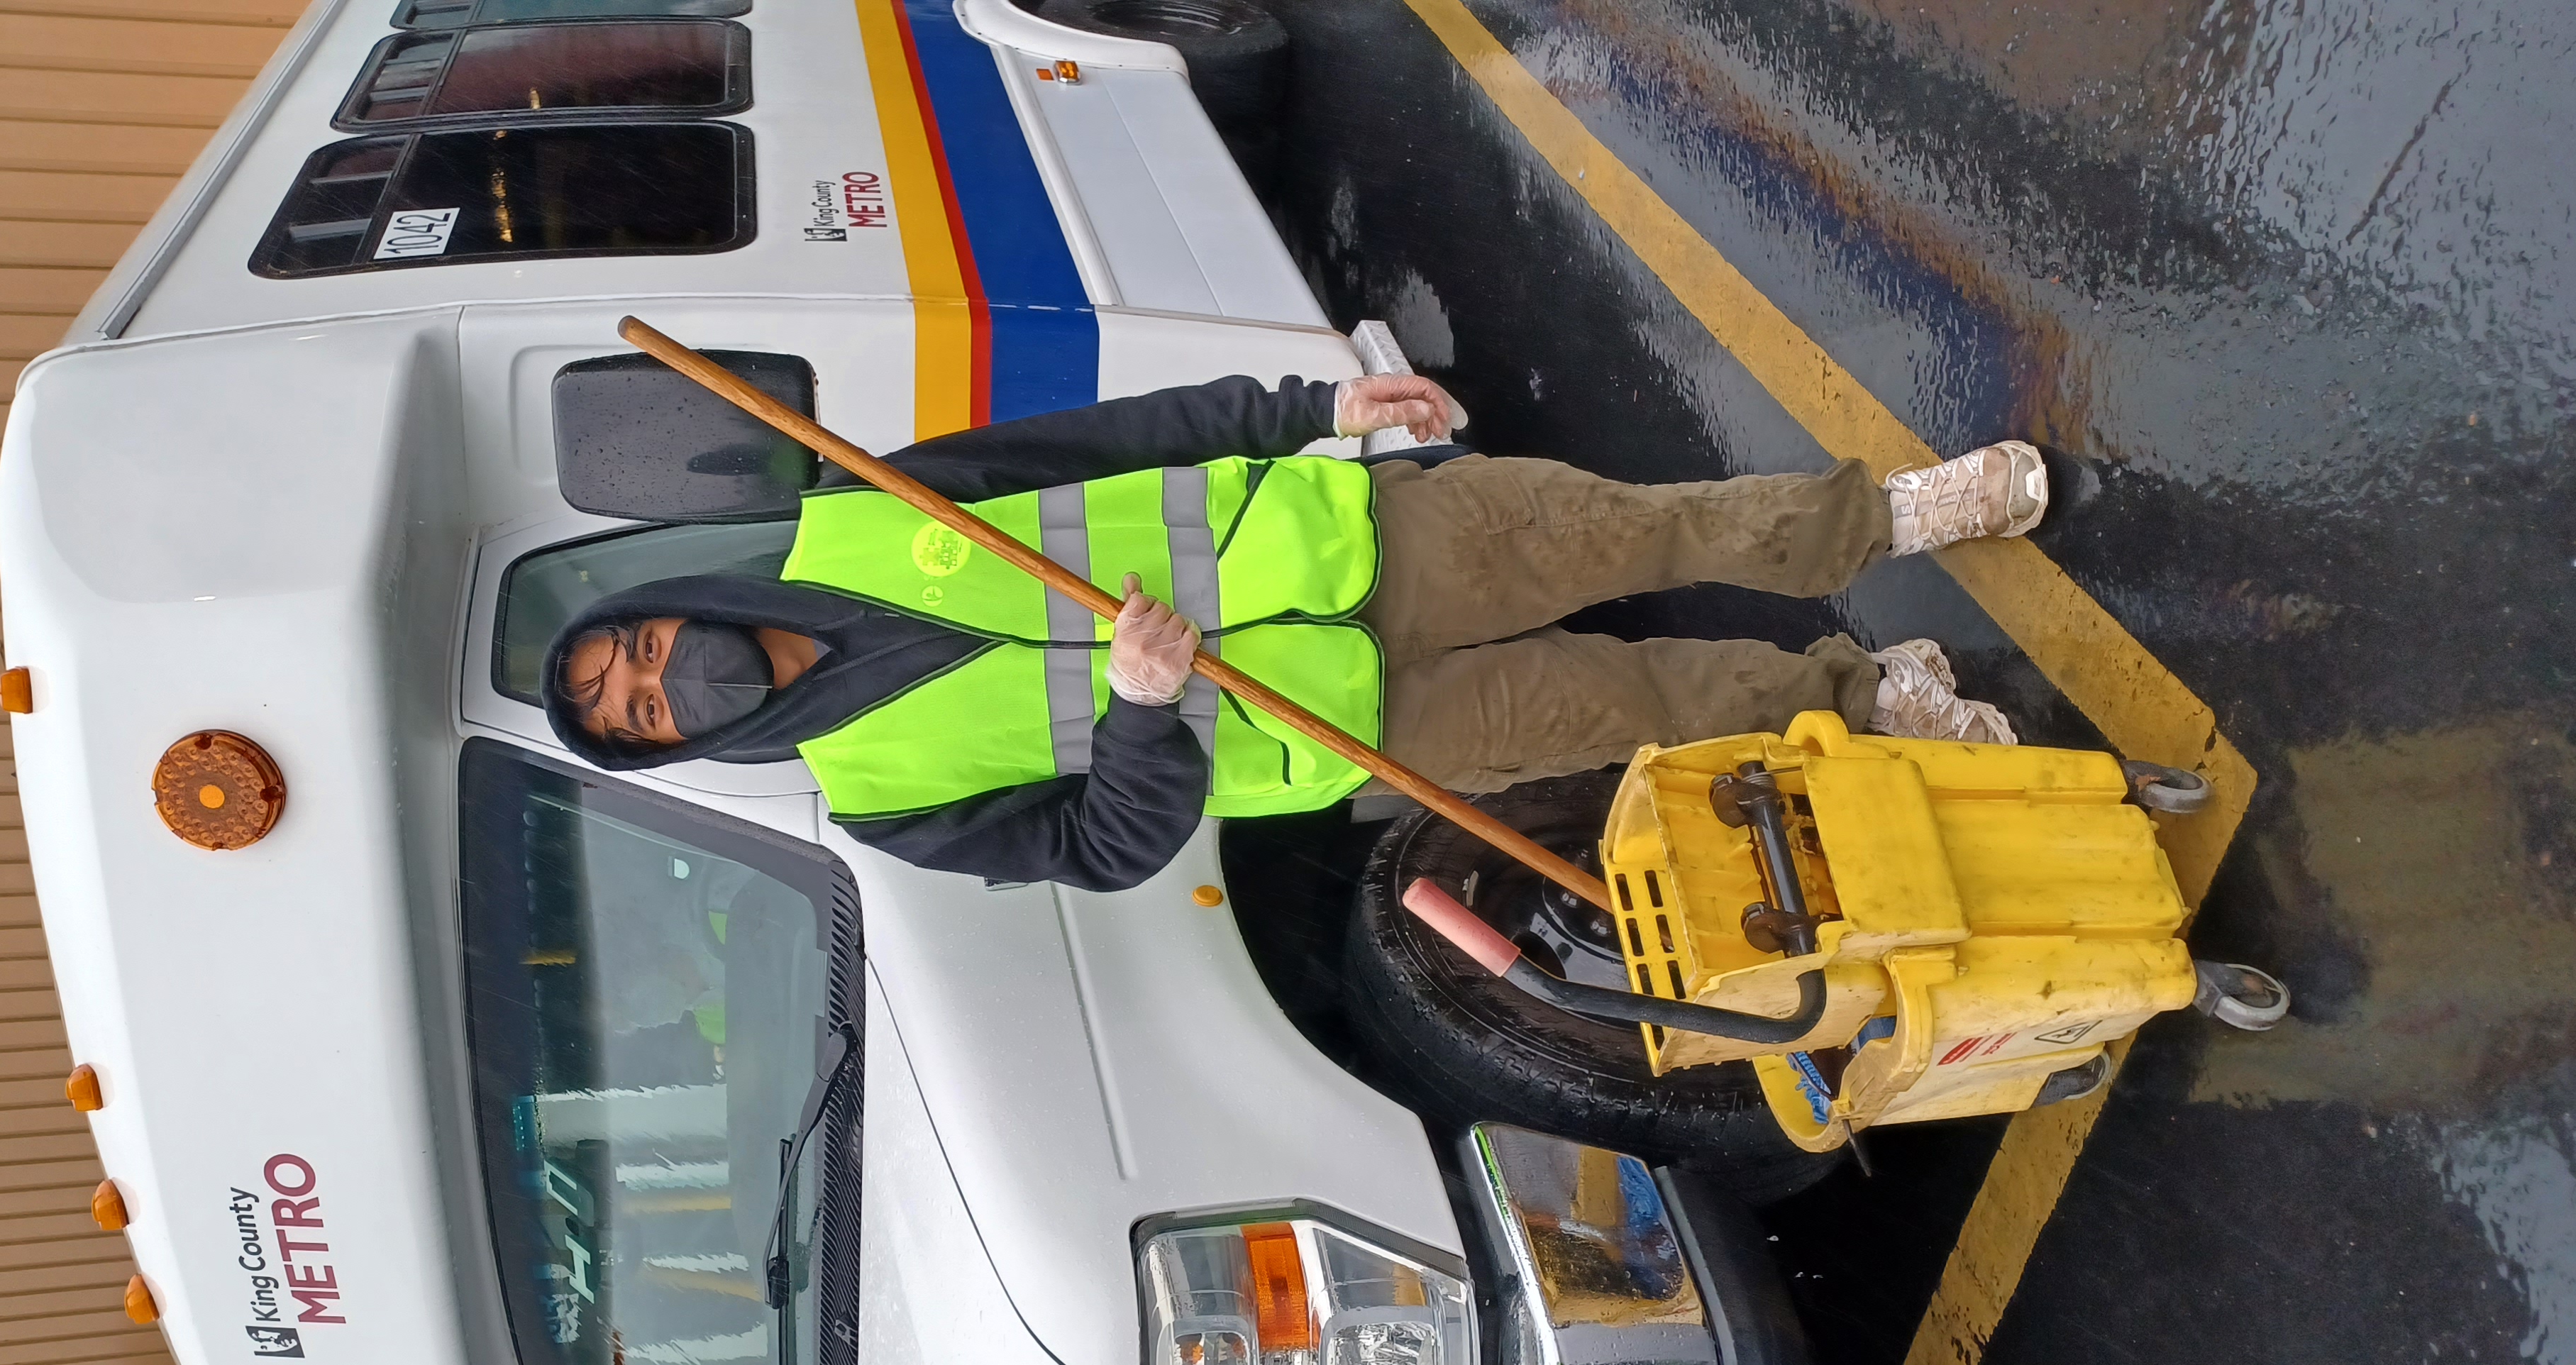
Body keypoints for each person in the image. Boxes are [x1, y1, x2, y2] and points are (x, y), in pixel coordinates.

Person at [544, 372, 2047, 890]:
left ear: (668, 611)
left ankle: (1896, 517)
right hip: (1358, 736)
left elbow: (1112, 437)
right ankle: (1863, 694)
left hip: (1362, 541)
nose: (654, 683)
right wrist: (1140, 713)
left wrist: (1308, 412)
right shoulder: (881, 806)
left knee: (1639, 525)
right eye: (635, 716)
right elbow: (1106, 849)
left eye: (636, 652)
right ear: (678, 749)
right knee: (1634, 700)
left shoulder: (865, 509)